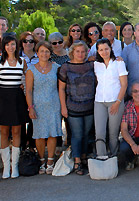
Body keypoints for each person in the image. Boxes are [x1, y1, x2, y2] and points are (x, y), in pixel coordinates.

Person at [0, 35, 28, 179]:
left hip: (17, 97)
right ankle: (6, 167)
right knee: (4, 132)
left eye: (12, 44)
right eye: (7, 45)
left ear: (16, 46)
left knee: (17, 132)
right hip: (3, 97)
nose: (10, 47)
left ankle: (15, 166)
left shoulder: (22, 62)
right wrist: (0, 86)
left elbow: (26, 79)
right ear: (3, 46)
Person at [58, 41, 96, 175]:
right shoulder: (65, 67)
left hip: (89, 106)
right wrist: (63, 107)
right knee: (77, 134)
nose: (80, 54)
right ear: (72, 52)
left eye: (83, 51)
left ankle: (84, 156)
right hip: (73, 106)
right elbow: (61, 89)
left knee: (86, 134)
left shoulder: (91, 65)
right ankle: (77, 160)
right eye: (77, 51)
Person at [25, 41, 63, 175]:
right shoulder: (31, 70)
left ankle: (50, 162)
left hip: (54, 105)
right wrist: (30, 107)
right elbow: (28, 90)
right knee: (39, 135)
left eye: (47, 51)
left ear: (50, 53)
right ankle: (41, 161)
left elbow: (61, 87)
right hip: (38, 106)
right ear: (37, 53)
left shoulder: (56, 67)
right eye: (41, 51)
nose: (44, 54)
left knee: (52, 133)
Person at [93, 38, 128, 157]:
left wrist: (118, 102)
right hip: (99, 101)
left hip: (115, 101)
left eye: (106, 49)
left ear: (111, 48)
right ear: (97, 51)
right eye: (101, 50)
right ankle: (101, 157)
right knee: (100, 132)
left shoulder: (118, 63)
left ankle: (114, 158)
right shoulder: (96, 64)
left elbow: (124, 84)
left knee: (113, 133)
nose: (104, 52)